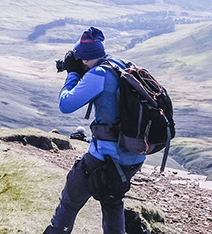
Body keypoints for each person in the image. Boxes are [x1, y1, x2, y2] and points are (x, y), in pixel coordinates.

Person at [44, 27, 144, 234]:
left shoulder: (98, 74)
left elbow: (66, 104)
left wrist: (72, 73)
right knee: (112, 199)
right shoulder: (118, 65)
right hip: (133, 155)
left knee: (71, 197)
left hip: (106, 156)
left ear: (85, 59)